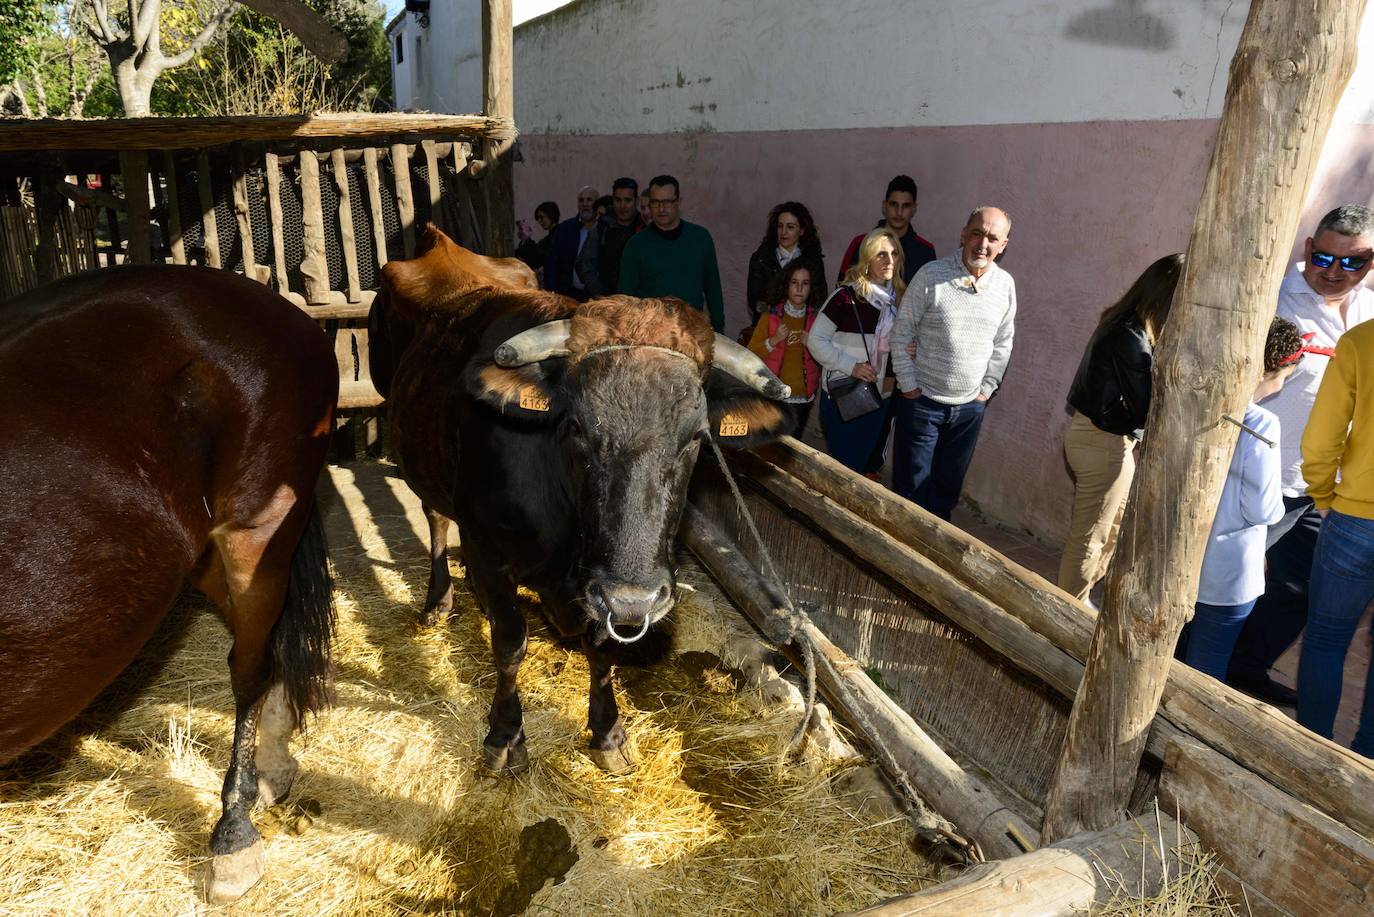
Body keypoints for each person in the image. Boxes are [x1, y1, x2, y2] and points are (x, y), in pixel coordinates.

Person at [1227, 204, 1374, 706]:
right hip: (1265, 474)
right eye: (1324, 257)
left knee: (1299, 592)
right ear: (1308, 248)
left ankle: (1246, 669)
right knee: (1227, 583)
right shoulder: (1272, 299)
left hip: (1334, 489)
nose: (1334, 272)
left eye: (1352, 262)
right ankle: (1192, 665)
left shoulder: (1370, 313)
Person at [1058, 254, 1184, 603]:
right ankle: (1067, 606)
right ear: (1168, 294)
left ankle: (1079, 599)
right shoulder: (1131, 335)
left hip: (1107, 439)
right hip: (1103, 442)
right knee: (1092, 536)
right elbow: (1147, 408)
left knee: (1110, 531)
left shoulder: (1129, 325)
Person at [1185, 318, 1304, 681]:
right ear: (1275, 370)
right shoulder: (1262, 423)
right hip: (1225, 570)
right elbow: (1263, 509)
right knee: (1206, 669)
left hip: (1179, 552)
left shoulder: (1191, 395)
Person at [890, 207, 1016, 520]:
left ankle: (931, 560)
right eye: (977, 233)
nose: (982, 243)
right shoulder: (931, 275)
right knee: (911, 496)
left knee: (945, 496)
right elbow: (901, 331)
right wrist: (909, 388)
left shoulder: (1005, 286)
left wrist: (985, 391)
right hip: (922, 404)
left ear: (1003, 245)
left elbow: (1003, 343)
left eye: (992, 238)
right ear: (963, 234)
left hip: (968, 410)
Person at [1298, 316, 1374, 756]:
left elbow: (1323, 437)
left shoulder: (1362, 341)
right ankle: (1366, 761)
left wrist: (1323, 493)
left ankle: (1312, 754)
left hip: (1357, 516)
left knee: (1326, 639)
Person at [807, 228, 904, 471]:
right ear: (867, 259)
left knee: (859, 469)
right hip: (844, 395)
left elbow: (898, 347)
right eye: (881, 254)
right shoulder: (845, 298)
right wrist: (852, 366)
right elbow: (816, 341)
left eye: (894, 254)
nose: (889, 261)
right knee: (843, 469)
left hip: (879, 398)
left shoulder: (899, 301)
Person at [618, 174, 726, 332]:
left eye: (667, 202)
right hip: (651, 335)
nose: (661, 209)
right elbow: (625, 299)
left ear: (678, 202)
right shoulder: (635, 245)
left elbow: (713, 289)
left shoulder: (701, 238)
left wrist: (718, 330)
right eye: (655, 202)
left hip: (692, 332)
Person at [747, 259, 824, 435]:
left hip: (803, 398)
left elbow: (825, 358)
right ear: (786, 285)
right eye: (794, 283)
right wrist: (773, 340)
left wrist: (812, 346)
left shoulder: (816, 321)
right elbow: (750, 353)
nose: (799, 289)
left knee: (794, 445)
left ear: (812, 288)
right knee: (770, 443)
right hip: (774, 395)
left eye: (805, 284)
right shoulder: (771, 316)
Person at [836, 175, 936, 286]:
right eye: (894, 204)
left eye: (906, 206)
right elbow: (842, 289)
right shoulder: (861, 243)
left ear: (914, 209)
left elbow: (930, 297)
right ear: (884, 205)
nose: (899, 212)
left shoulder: (925, 251)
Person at [746, 202, 828, 318]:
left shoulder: (813, 261)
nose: (783, 232)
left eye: (790, 227)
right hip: (768, 326)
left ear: (802, 231)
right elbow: (755, 303)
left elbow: (820, 302)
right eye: (780, 226)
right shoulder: (760, 259)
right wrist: (778, 316)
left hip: (804, 327)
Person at [577, 177, 643, 296]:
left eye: (627, 200)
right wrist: (603, 297)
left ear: (636, 201)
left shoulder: (643, 227)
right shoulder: (602, 228)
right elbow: (585, 267)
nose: (622, 206)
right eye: (618, 200)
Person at [543, 185, 600, 300]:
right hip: (568, 296)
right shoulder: (564, 230)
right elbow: (552, 264)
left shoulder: (604, 229)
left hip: (598, 297)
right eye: (581, 200)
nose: (585, 204)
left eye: (589, 200)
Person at [514, 201, 559, 277]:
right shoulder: (548, 239)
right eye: (538, 218)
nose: (539, 221)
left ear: (551, 215)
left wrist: (527, 239)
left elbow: (541, 257)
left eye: (541, 217)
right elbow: (535, 260)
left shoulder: (559, 235)